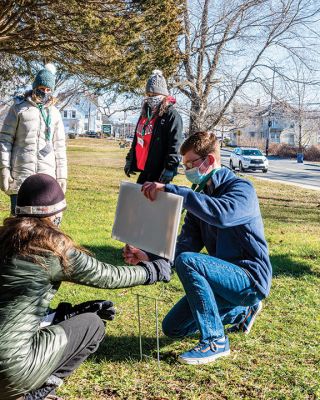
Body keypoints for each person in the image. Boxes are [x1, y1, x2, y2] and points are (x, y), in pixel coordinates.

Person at [0, 173, 171, 400]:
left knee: (75, 320)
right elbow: (108, 275)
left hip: (8, 354)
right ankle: (36, 394)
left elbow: (14, 306)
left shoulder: (5, 238)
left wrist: (63, 315)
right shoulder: (50, 248)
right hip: (12, 371)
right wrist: (153, 270)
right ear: (54, 215)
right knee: (92, 325)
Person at [124, 131, 272, 365]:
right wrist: (148, 255)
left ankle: (215, 341)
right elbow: (184, 245)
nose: (187, 170)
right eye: (185, 165)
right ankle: (243, 312)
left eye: (191, 163)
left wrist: (176, 192)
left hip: (249, 279)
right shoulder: (199, 197)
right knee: (173, 328)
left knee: (189, 262)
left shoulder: (242, 189)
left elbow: (221, 215)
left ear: (210, 160)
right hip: (221, 281)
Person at [0, 63, 67, 215]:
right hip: (21, 176)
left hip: (46, 180)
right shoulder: (18, 109)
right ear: (35, 86)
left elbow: (59, 147)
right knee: (19, 225)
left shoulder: (55, 114)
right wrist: (4, 168)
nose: (45, 92)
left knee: (44, 225)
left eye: (49, 89)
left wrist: (62, 175)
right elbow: (5, 140)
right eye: (42, 88)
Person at [124, 69, 183, 184]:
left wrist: (170, 168)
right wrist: (130, 160)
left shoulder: (171, 116)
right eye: (149, 94)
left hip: (159, 172)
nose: (151, 97)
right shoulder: (145, 114)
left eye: (155, 95)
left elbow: (175, 144)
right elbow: (137, 140)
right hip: (144, 169)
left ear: (164, 95)